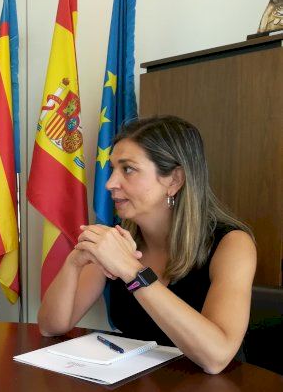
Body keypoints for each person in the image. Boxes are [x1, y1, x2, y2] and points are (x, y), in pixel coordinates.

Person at [37, 115, 256, 374]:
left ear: (174, 180)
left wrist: (132, 271)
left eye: (128, 169)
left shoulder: (232, 244)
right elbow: (51, 326)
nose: (110, 183)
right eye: (113, 169)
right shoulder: (118, 240)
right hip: (136, 388)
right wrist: (73, 264)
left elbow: (216, 357)